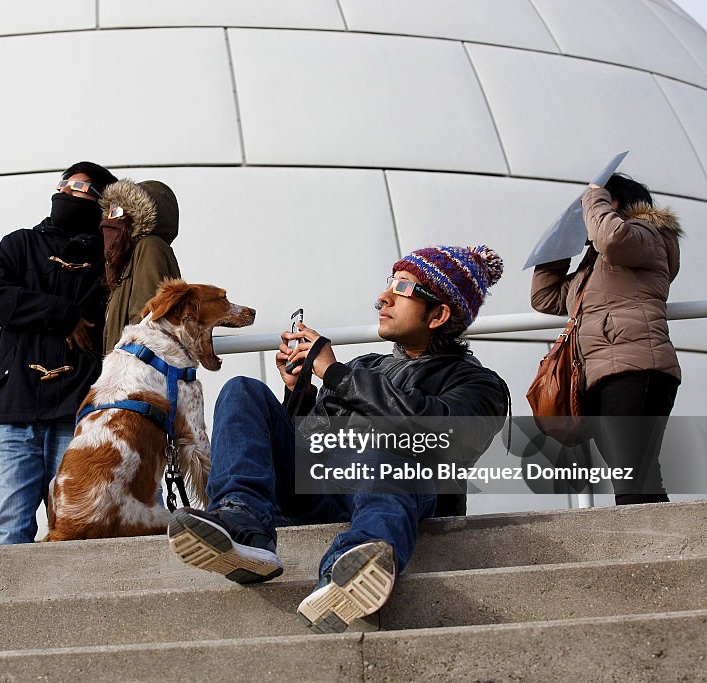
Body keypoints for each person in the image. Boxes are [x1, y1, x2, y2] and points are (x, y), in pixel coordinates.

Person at [167, 245, 509, 633]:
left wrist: (336, 374)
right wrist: (301, 391)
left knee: (390, 456)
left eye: (402, 287)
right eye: (388, 284)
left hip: (394, 491)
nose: (383, 297)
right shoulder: (368, 366)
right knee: (242, 390)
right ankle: (243, 524)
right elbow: (312, 441)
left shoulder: (478, 384)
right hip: (323, 488)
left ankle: (347, 572)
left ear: (439, 314)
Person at [0, 161, 117, 544]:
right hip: (14, 407)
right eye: (67, 183)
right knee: (9, 528)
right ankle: (4, 606)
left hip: (75, 409)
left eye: (84, 186)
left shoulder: (110, 260)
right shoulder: (18, 243)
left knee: (75, 527)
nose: (71, 190)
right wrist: (60, 313)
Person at [531, 174, 682, 505]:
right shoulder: (593, 269)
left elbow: (611, 238)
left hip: (635, 368)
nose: (588, 211)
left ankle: (654, 551)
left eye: (598, 203)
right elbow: (545, 297)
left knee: (631, 473)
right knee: (634, 472)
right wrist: (560, 243)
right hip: (602, 374)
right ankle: (660, 548)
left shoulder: (647, 234)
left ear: (616, 203)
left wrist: (593, 196)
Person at [98, 178, 181, 354]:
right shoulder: (128, 259)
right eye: (109, 211)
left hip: (137, 374)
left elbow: (145, 322)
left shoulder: (150, 247)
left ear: (139, 216)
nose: (108, 220)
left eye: (117, 211)